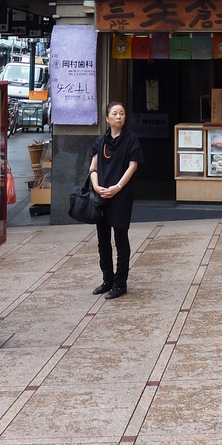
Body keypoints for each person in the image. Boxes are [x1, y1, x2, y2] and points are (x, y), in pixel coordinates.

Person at [88, 101, 143, 300]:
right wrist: (96, 186)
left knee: (120, 239)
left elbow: (133, 166)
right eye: (114, 113)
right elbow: (93, 167)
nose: (118, 117)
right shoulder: (100, 141)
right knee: (103, 240)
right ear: (107, 118)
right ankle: (107, 280)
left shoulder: (131, 140)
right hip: (101, 194)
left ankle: (120, 283)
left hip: (121, 195)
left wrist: (117, 187)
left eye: (121, 113)